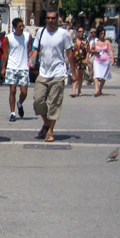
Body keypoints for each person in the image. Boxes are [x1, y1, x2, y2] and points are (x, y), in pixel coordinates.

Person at [28, 11, 77, 142]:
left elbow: (70, 53)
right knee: (38, 101)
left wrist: (73, 72)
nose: (50, 20)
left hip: (58, 73)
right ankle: (46, 123)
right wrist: (32, 58)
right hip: (43, 72)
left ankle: (50, 130)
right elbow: (36, 48)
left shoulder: (63, 34)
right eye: (48, 18)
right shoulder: (41, 32)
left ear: (57, 19)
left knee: (54, 103)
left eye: (53, 18)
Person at [2, 18, 32, 122]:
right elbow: (6, 53)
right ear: (14, 27)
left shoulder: (28, 36)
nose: (22, 28)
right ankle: (12, 113)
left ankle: (19, 103)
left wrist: (31, 60)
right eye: (19, 26)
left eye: (22, 26)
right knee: (12, 90)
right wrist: (3, 67)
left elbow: (30, 50)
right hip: (12, 66)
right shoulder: (9, 38)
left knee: (24, 91)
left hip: (23, 66)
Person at [90, 26, 116, 96]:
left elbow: (110, 50)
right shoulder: (96, 42)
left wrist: (112, 59)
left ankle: (100, 90)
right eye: (101, 33)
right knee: (96, 75)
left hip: (105, 61)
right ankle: (96, 90)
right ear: (99, 34)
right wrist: (96, 51)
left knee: (103, 76)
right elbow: (91, 50)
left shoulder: (107, 42)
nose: (103, 35)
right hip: (97, 61)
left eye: (104, 33)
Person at [70, 26, 89, 97]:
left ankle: (79, 90)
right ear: (77, 32)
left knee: (80, 76)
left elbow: (88, 51)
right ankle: (74, 90)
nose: (81, 33)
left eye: (82, 32)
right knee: (75, 75)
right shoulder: (73, 41)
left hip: (82, 60)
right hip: (75, 60)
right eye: (80, 31)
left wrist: (87, 59)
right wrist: (69, 59)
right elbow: (70, 51)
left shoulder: (85, 41)